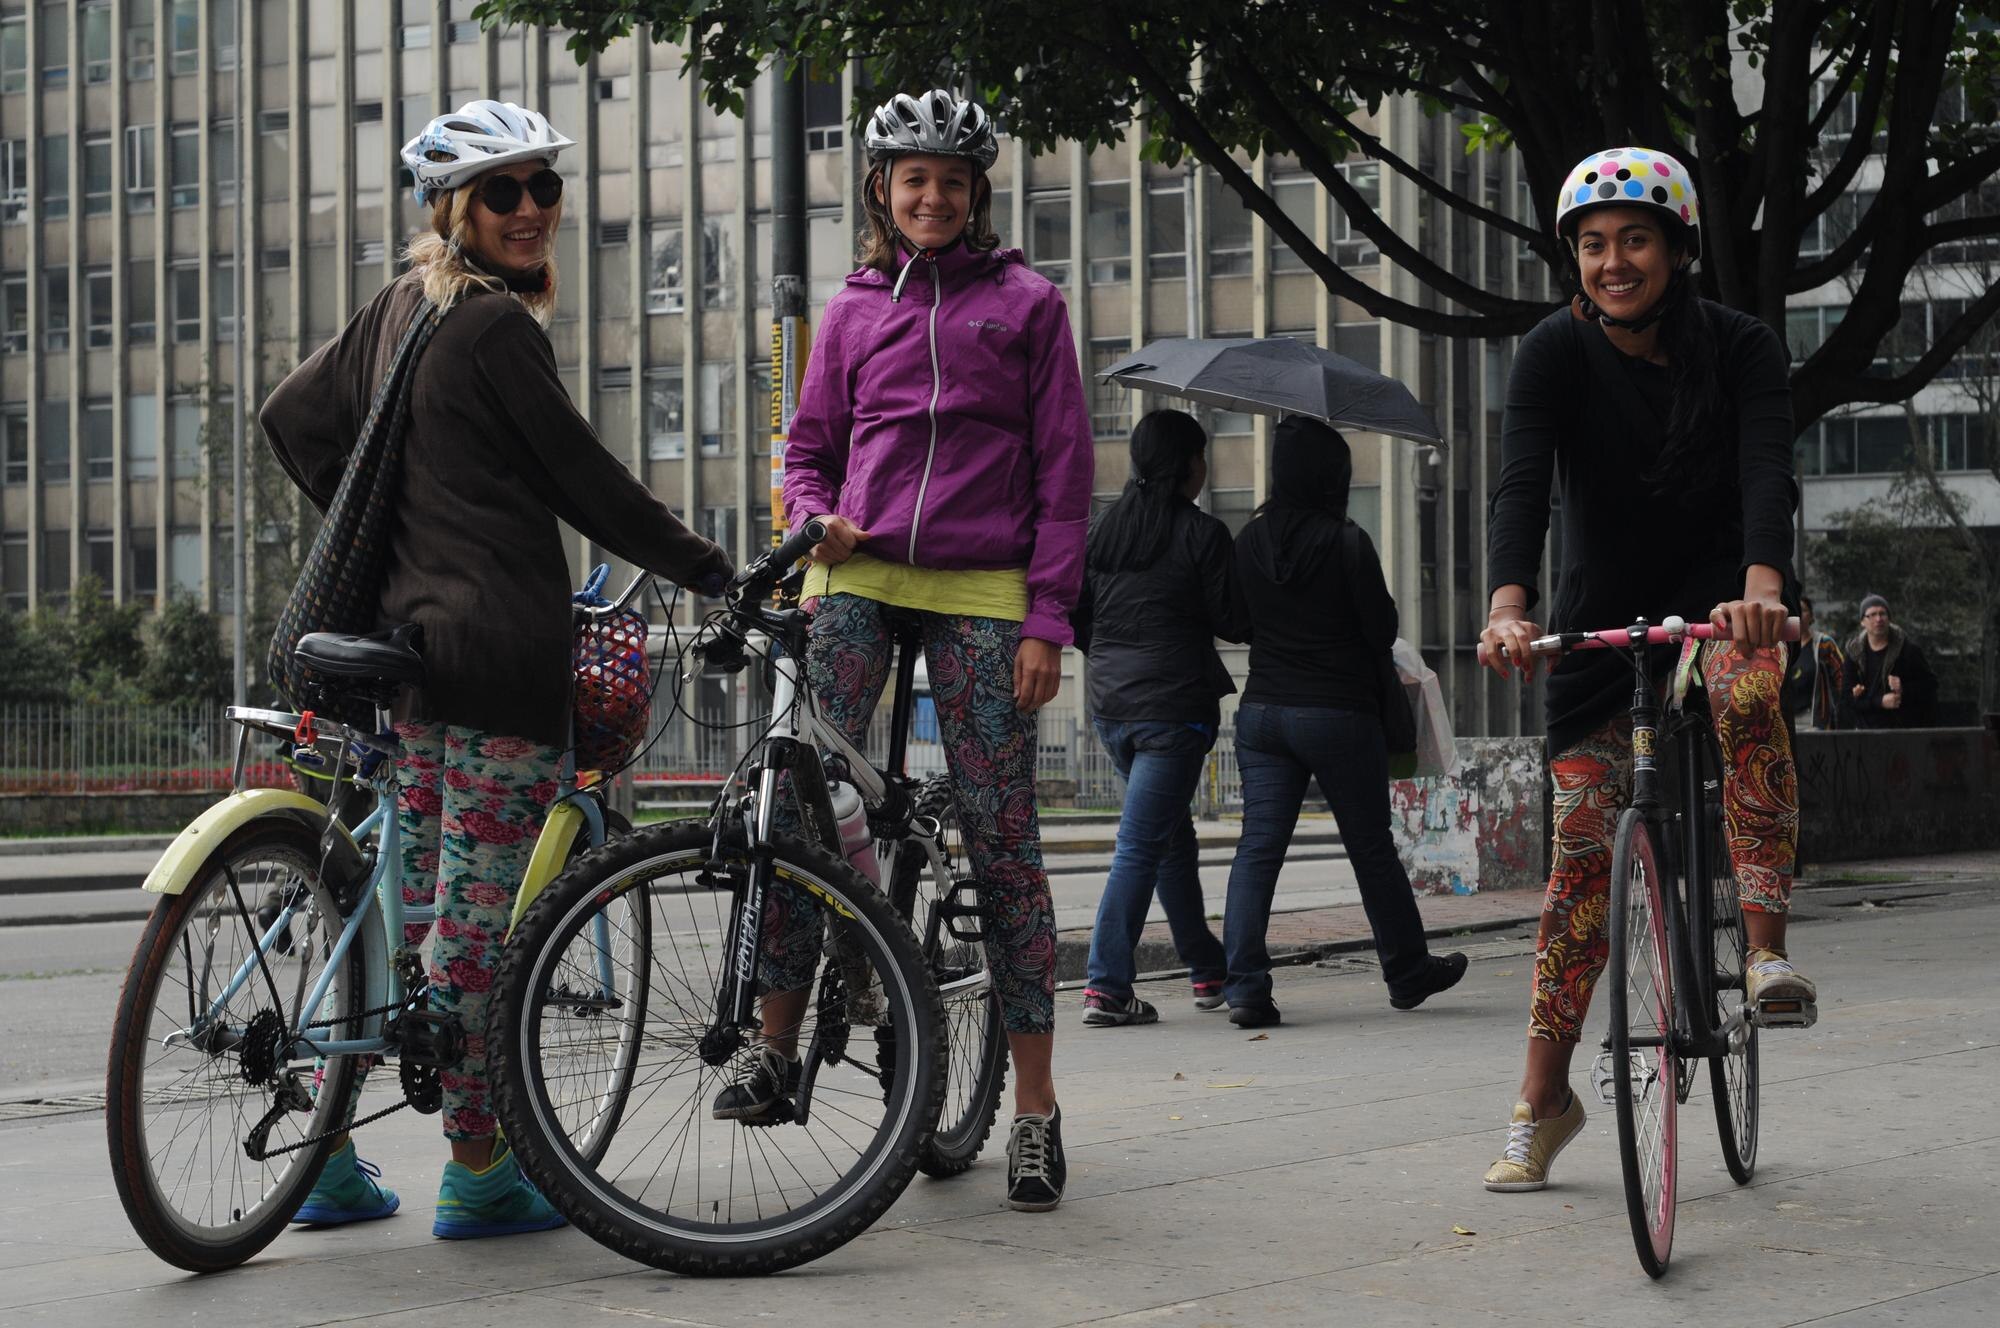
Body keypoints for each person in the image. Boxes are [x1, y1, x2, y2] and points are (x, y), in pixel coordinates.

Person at [262, 100, 732, 1238]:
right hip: (502, 661)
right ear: (454, 209)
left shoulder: (395, 310)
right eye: (502, 193)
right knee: (475, 924)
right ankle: (478, 1171)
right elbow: (588, 482)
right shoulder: (497, 330)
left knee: (410, 904)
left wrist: (384, 528)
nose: (530, 211)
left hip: (413, 663)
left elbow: (288, 415)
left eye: (543, 189)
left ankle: (321, 1158)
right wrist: (715, 570)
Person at [726, 89, 1093, 1212]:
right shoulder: (847, 312)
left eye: (950, 179)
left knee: (1002, 830)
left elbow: (1064, 475)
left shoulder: (1027, 305)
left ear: (976, 193)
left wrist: (1046, 620)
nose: (930, 195)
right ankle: (775, 1045)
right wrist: (813, 510)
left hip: (984, 589)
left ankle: (1032, 1111)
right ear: (881, 191)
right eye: (910, 178)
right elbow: (807, 451)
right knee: (795, 806)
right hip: (854, 573)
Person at [1480, 147, 1815, 1193]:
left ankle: (1760, 952)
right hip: (1600, 621)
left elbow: (1768, 465)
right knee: (1579, 861)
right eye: (1591, 245)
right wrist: (1504, 610)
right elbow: (1521, 485)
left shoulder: (1742, 346)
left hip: (1723, 601)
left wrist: (1760, 588)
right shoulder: (1549, 354)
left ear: (1676, 249)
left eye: (1633, 240)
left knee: (1747, 690)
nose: (1612, 261)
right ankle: (1543, 1099)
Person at [1221, 416, 1468, 1029]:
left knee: (1257, 850)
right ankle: (1408, 971)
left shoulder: (1248, 540)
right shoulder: (1347, 541)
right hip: (1337, 712)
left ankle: (1247, 987)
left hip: (1264, 712)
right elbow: (1380, 629)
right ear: (1333, 475)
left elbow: (1234, 620)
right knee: (1370, 848)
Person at [1071, 410, 1240, 1027]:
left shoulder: (1102, 532)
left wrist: (1116, 661)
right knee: (1142, 844)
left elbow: (1075, 616)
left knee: (1171, 839)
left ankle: (1206, 966)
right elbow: (1233, 621)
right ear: (1189, 466)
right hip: (1173, 713)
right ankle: (1107, 987)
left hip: (1111, 708)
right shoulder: (1202, 534)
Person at [1844, 593, 1937, 728]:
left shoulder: (1908, 650)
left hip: (1902, 730)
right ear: (1862, 622)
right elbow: (1846, 698)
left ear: (1889, 618)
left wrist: (1903, 689)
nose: (1878, 619)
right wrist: (1877, 701)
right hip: (1865, 732)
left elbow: (1930, 685)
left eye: (1883, 614)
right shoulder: (1853, 653)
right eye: (1872, 615)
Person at [1785, 593, 1846, 730]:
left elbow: (1842, 679)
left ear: (1811, 616)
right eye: (1794, 609)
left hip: (1814, 721)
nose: (1799, 614)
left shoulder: (1824, 644)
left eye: (1803, 610)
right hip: (1786, 721)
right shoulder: (1779, 647)